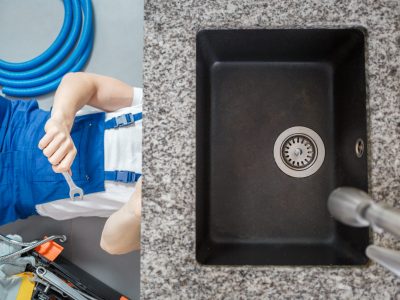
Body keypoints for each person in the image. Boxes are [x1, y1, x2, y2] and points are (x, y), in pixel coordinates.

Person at [0, 72, 142, 254]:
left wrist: (134, 210)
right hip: (15, 121)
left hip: (15, 194)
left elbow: (111, 244)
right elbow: (85, 83)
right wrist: (61, 120)